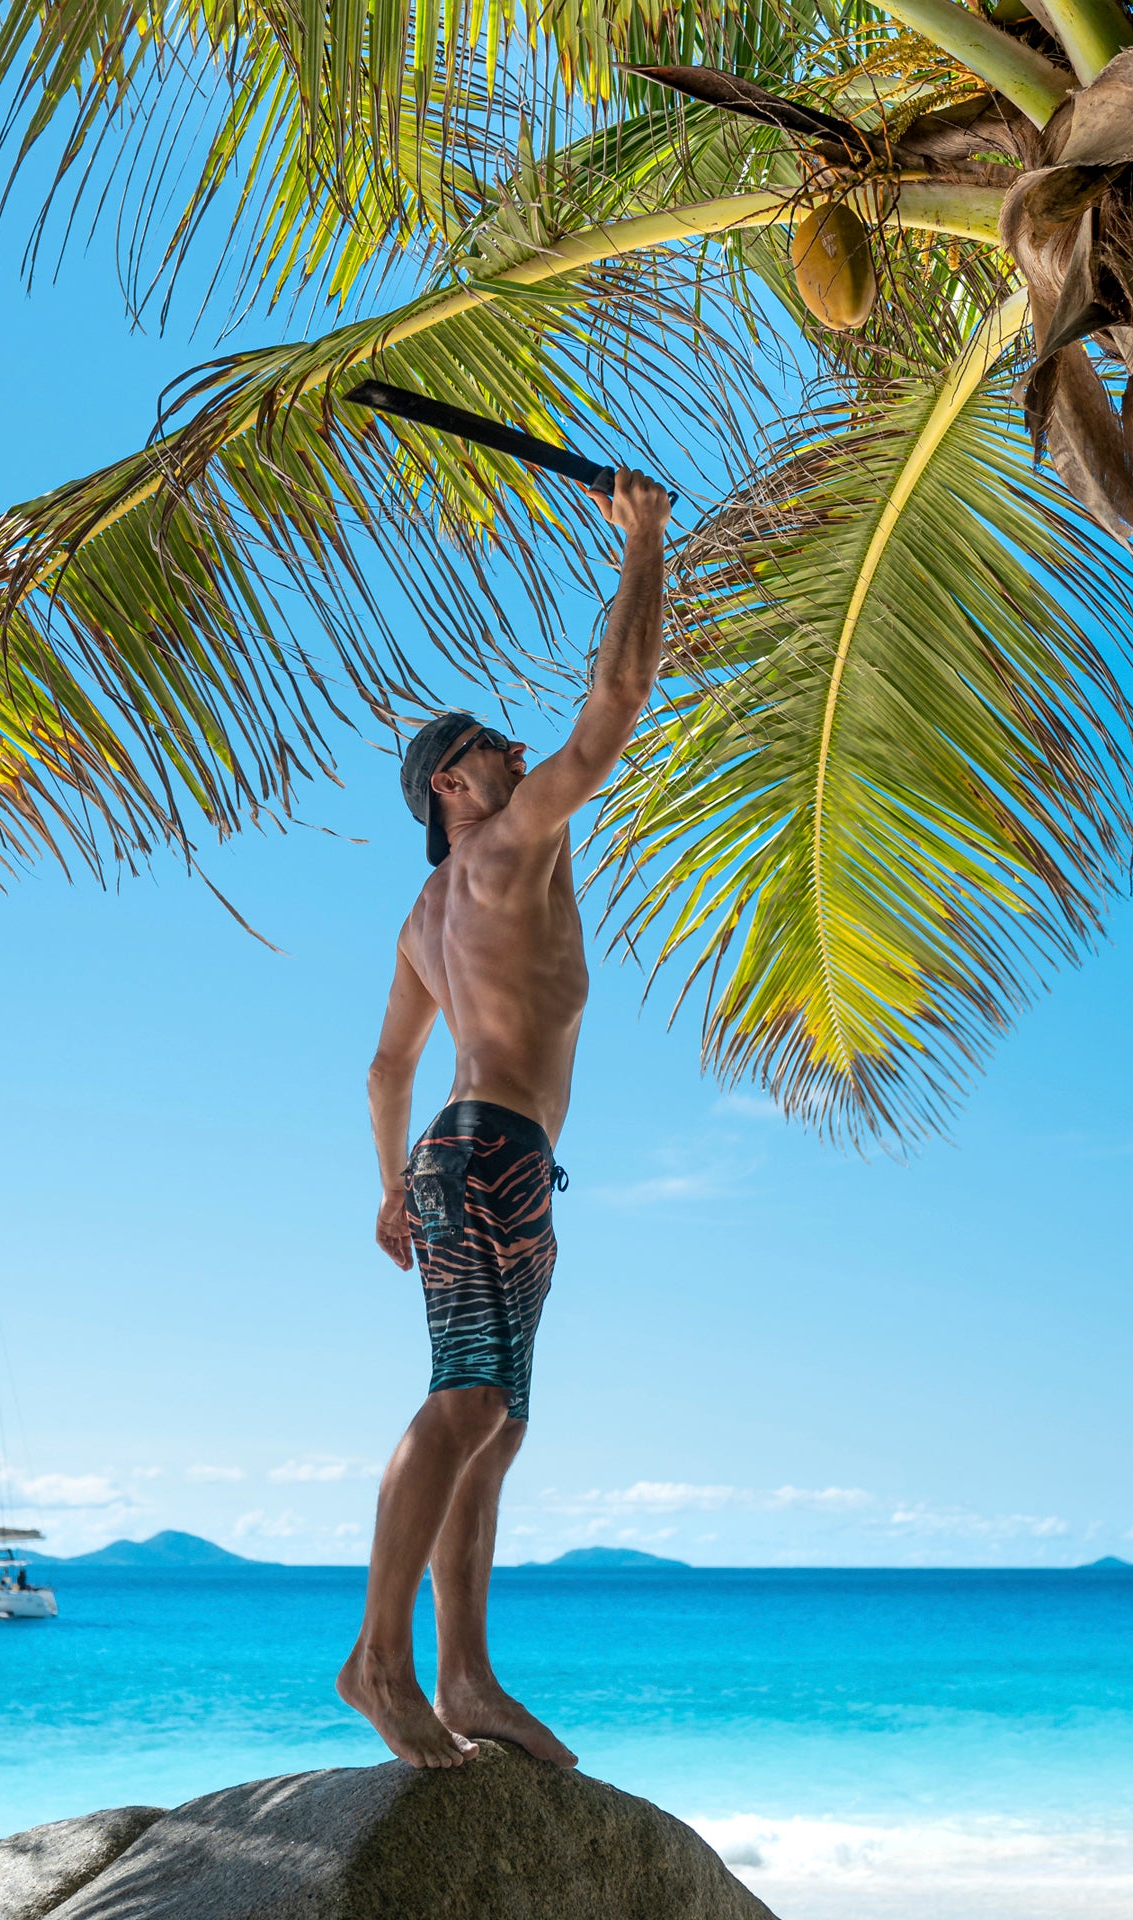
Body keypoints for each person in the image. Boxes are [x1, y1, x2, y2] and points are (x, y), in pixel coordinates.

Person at [336, 468, 673, 1770]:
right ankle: (381, 1660)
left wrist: (388, 1190)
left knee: (501, 1417)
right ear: (450, 790)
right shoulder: (507, 844)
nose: (516, 751)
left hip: (480, 1159)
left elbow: (382, 1070)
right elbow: (615, 707)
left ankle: (467, 1675)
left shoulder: (427, 921)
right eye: (487, 748)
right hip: (487, 1157)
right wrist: (642, 541)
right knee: (469, 1400)